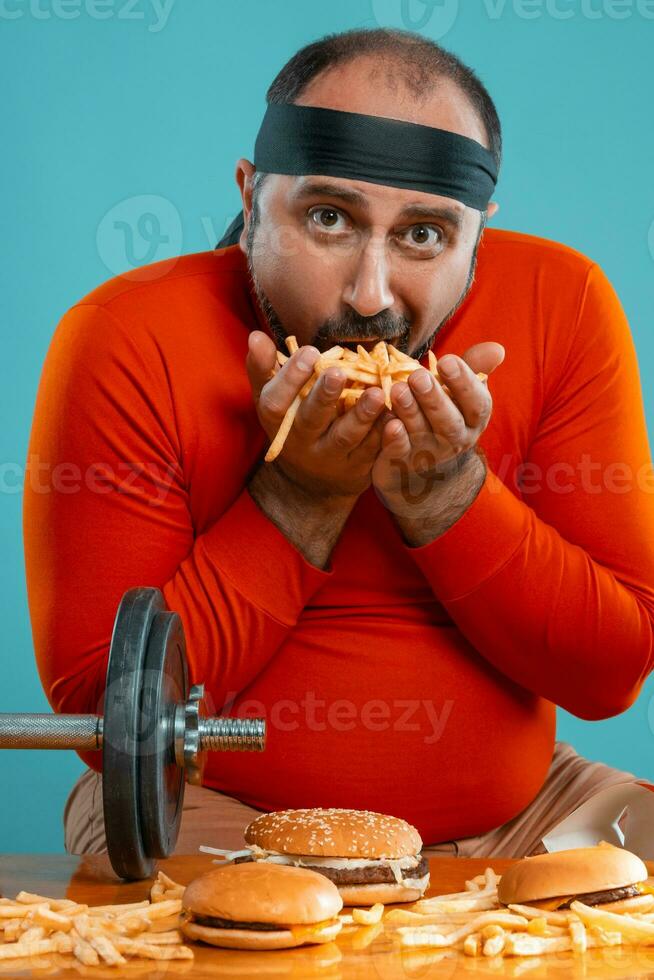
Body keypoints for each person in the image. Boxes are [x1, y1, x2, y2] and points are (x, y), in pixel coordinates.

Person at [23, 27, 654, 860]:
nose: (370, 296)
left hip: (526, 817)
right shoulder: (125, 336)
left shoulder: (564, 304)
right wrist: (302, 498)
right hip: (217, 812)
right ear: (252, 200)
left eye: (424, 235)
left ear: (479, 235)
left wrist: (447, 497)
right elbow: (108, 720)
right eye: (328, 218)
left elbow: (610, 673)